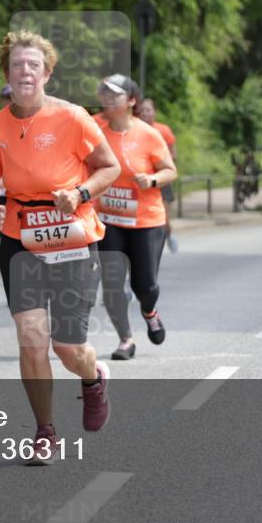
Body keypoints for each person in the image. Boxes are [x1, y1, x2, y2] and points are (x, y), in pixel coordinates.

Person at [0, 30, 120, 465]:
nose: (25, 71)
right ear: (7, 73)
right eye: (17, 65)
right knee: (31, 337)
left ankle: (93, 377)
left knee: (67, 348)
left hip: (72, 235)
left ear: (47, 72)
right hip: (20, 238)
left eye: (33, 65)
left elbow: (109, 166)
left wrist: (81, 193)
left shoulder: (73, 117)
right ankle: (45, 432)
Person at [94, 76, 177, 360]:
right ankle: (125, 340)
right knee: (112, 283)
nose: (107, 99)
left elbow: (170, 170)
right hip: (108, 219)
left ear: (131, 101)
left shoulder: (148, 134)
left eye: (114, 95)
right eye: (104, 94)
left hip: (146, 220)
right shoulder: (94, 127)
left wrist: (152, 180)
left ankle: (149, 312)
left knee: (146, 285)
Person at [134, 97, 179, 253]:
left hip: (160, 179)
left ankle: (168, 234)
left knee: (164, 216)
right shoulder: (133, 130)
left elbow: (173, 154)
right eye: (142, 110)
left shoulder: (163, 130)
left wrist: (158, 161)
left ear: (154, 112)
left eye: (148, 110)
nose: (145, 113)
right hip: (140, 181)